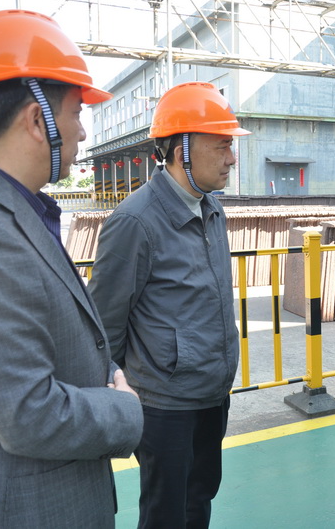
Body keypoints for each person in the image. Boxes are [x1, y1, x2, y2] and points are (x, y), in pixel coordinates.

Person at [0, 10, 144, 528]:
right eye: (77, 112)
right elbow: (28, 413)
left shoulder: (9, 209)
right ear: (37, 121)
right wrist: (124, 408)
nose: (82, 132)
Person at [89, 81, 248, 529]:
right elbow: (104, 325)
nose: (232, 158)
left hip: (212, 393)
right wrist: (120, 392)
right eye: (222, 146)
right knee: (166, 513)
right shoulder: (134, 221)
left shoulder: (211, 208)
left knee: (199, 499)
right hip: (163, 406)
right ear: (183, 151)